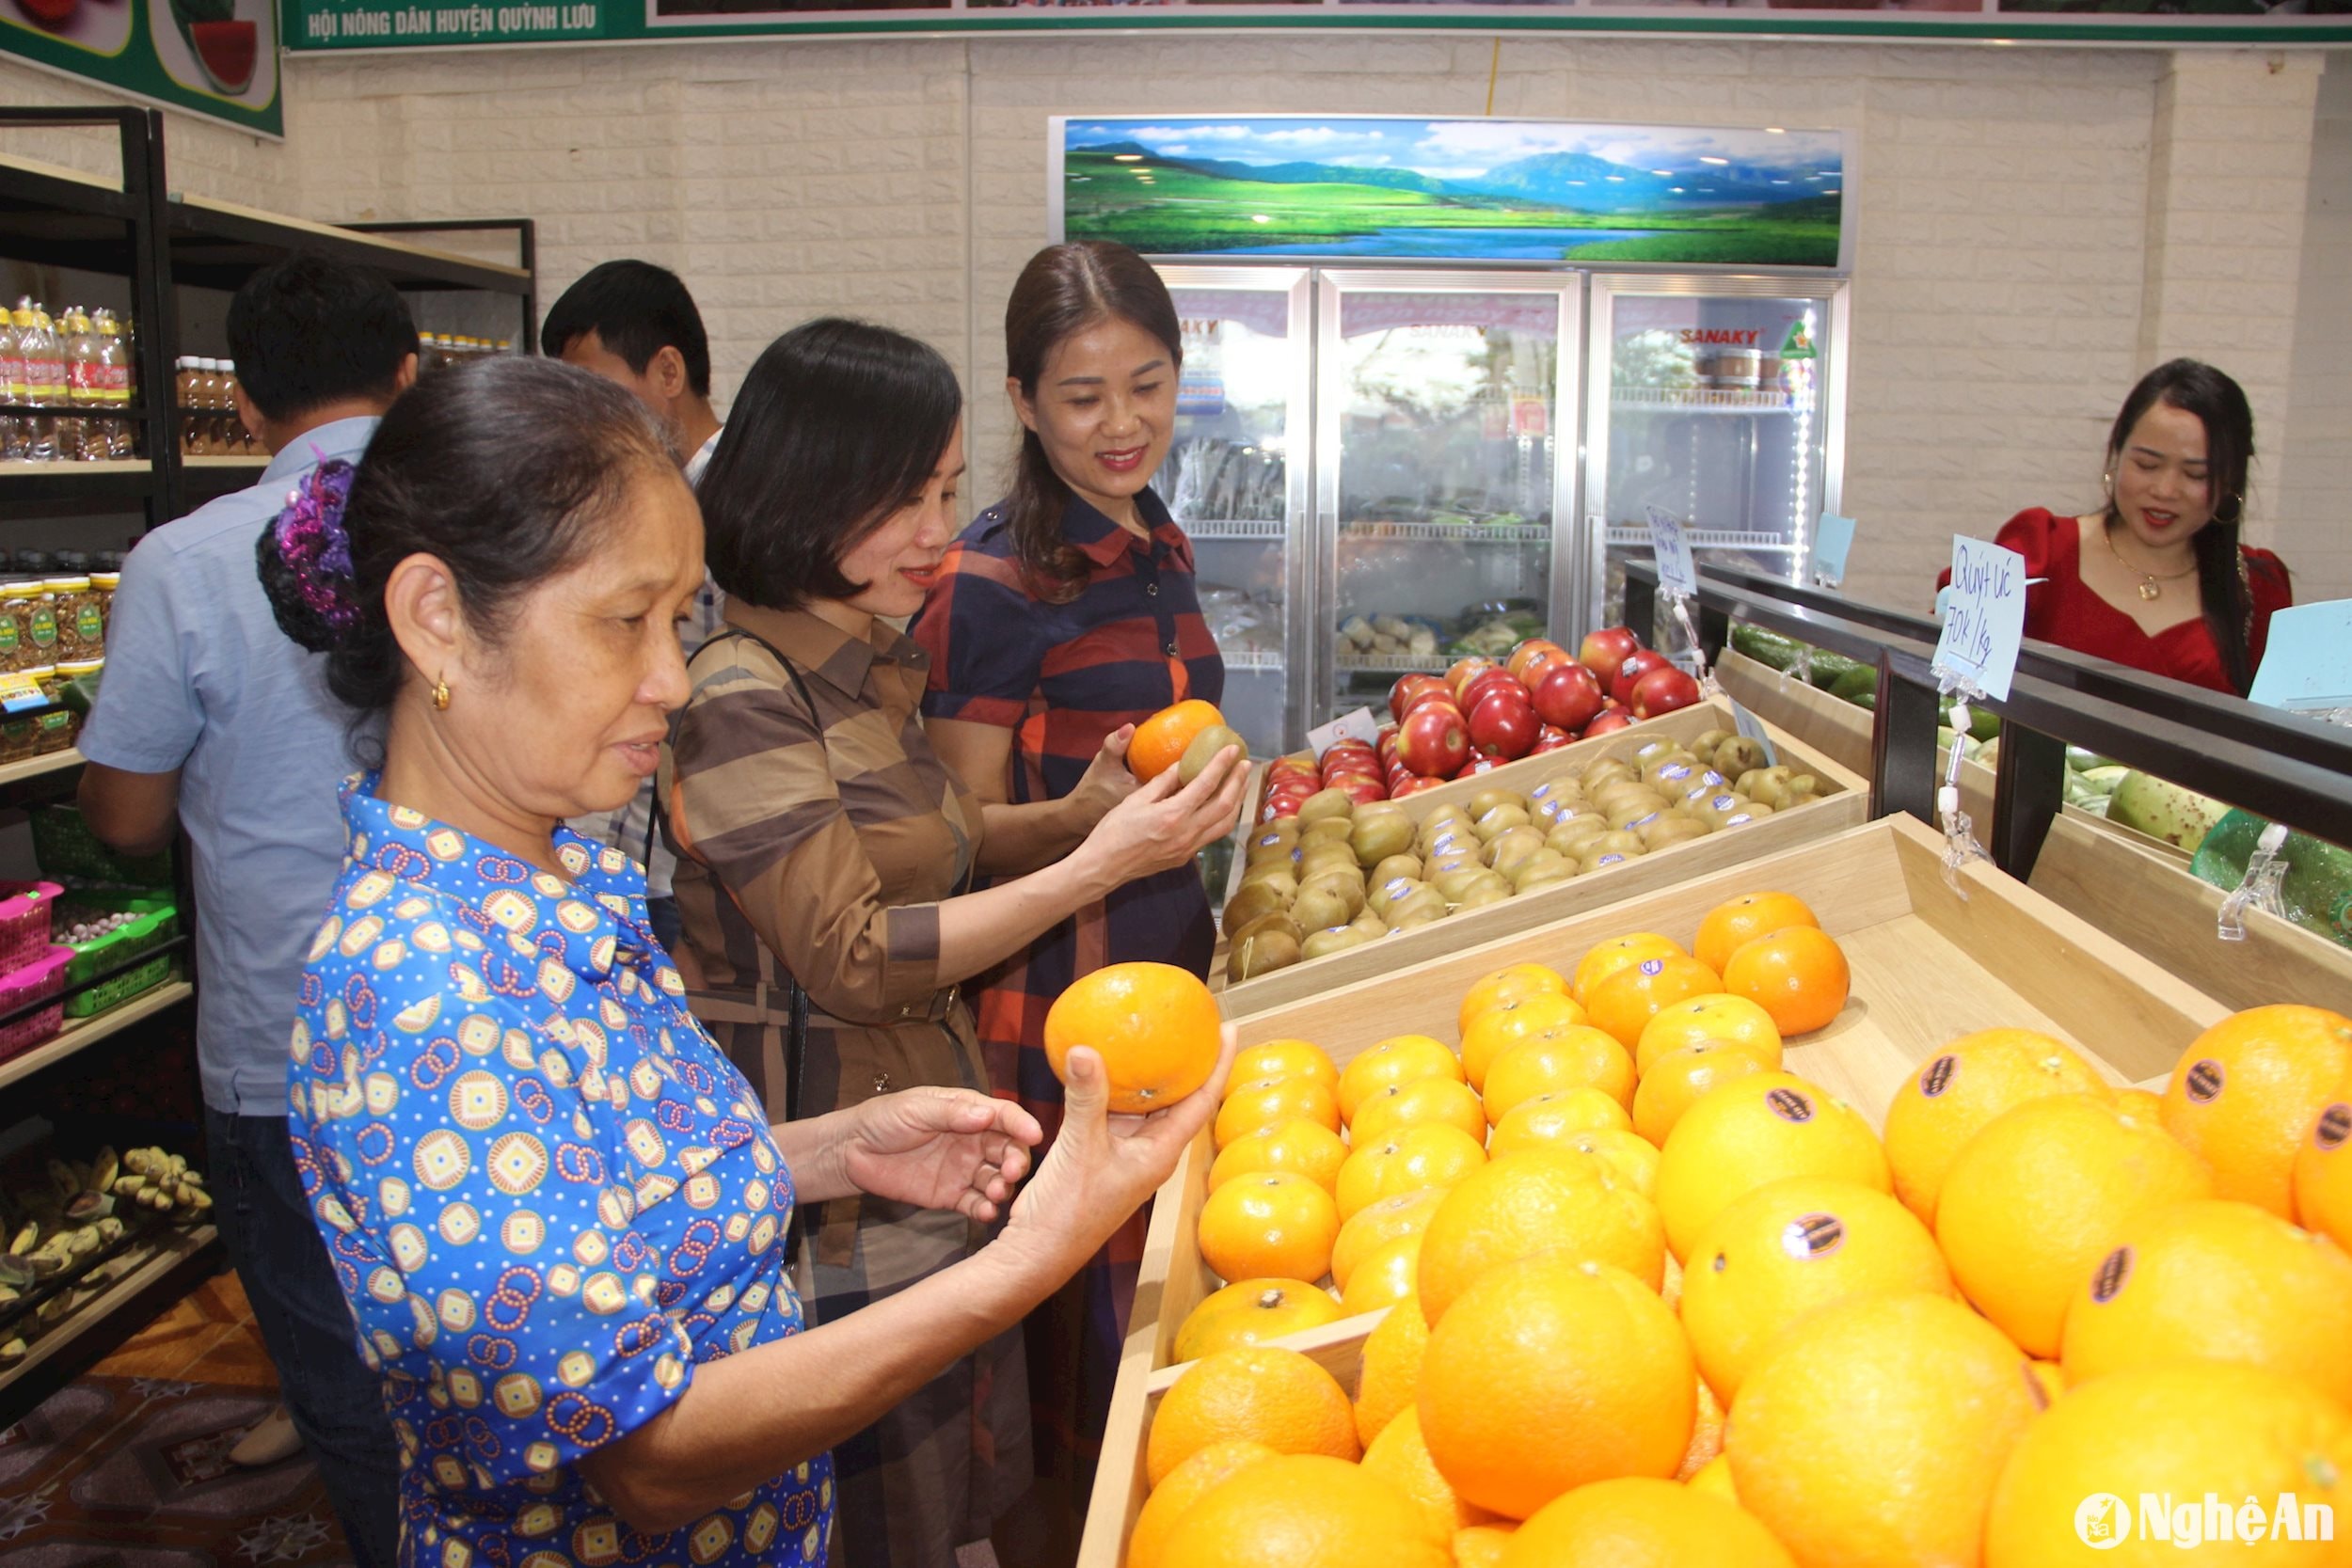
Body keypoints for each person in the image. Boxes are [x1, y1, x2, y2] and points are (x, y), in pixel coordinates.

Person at [255, 355, 1232, 1568]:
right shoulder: (428, 989)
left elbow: (591, 1197)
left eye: (675, 620)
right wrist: (1034, 1253)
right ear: (436, 618)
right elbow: (650, 1456)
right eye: (626, 622)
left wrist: (826, 1149)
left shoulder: (540, 894)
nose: (669, 678)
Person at [663, 318, 1247, 1568]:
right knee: (870, 1502)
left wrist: (1074, 815)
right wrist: (1098, 867)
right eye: (907, 498)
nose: (940, 530)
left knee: (945, 1486)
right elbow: (855, 951)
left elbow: (937, 840)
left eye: (944, 489)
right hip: (831, 1166)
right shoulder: (741, 692)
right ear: (806, 488)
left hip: (921, 1127)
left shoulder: (863, 659)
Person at [75, 252, 415, 1568]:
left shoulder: (182, 559)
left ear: (249, 402)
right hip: (494, 1012)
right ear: (406, 372)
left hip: (284, 1035)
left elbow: (122, 817)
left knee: (340, 1375)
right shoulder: (495, 520)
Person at [908, 240, 1218, 1545]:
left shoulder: (1158, 542)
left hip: (1166, 957)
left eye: (1146, 384)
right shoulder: (990, 579)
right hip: (1058, 999)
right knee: (1077, 1321)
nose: (1122, 422)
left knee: (1158, 1283)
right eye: (1083, 396)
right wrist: (1087, 821)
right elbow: (948, 834)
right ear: (1026, 403)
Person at [542, 259, 728, 950]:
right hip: (635, 853)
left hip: (688, 861)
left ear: (669, 372)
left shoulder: (730, 499)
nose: (578, 415)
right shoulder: (641, 492)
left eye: (593, 387)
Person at [1940, 358, 2293, 695]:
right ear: (2117, 455)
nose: (2164, 490)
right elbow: (1954, 691)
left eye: (2195, 474)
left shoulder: (2259, 587)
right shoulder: (2040, 549)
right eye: (2147, 464)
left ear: (2230, 482)